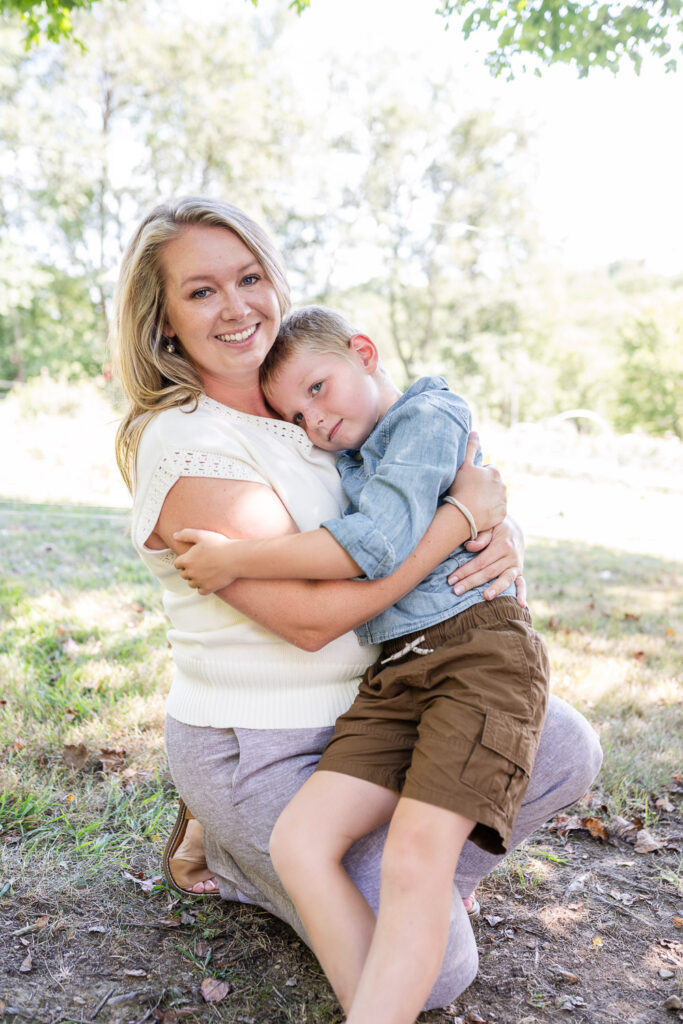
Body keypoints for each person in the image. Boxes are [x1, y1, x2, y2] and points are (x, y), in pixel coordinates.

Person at [112, 196, 602, 1016]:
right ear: (163, 323)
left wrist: (498, 522)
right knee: (435, 974)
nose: (236, 307)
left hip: (384, 698)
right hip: (262, 738)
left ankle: (392, 885)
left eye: (249, 277)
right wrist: (460, 520)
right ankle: (249, 861)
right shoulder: (187, 443)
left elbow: (412, 485)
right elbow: (312, 620)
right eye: (200, 292)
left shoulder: (303, 406)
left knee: (562, 748)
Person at [172, 305, 550, 1023]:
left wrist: (235, 558)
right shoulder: (348, 451)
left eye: (318, 389)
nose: (315, 421)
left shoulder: (429, 415)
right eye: (296, 413)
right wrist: (479, 513)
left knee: (415, 858)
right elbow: (439, 516)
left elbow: (376, 542)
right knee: (301, 839)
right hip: (397, 671)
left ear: (365, 352)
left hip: (475, 655)